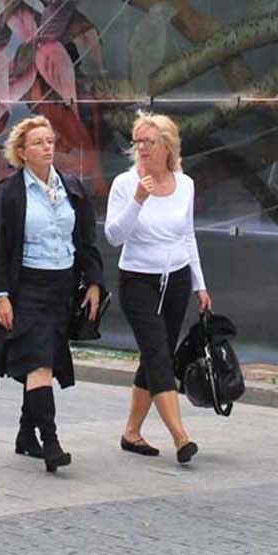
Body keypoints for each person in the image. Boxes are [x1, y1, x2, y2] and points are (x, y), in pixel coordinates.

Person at [0, 114, 104, 473]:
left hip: (62, 287)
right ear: (22, 151)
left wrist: (94, 282)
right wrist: (0, 295)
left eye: (50, 141)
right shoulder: (9, 193)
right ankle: (50, 442)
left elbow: (85, 239)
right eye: (38, 142)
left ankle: (25, 433)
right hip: (27, 289)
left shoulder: (72, 187)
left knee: (45, 358)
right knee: (39, 361)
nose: (47, 147)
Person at [105, 112, 211, 465]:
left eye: (149, 142)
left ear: (168, 146)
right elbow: (113, 236)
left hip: (177, 278)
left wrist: (200, 284)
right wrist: (138, 198)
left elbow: (188, 235)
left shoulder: (186, 183)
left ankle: (131, 433)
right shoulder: (125, 183)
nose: (142, 149)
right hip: (138, 279)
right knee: (158, 355)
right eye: (138, 142)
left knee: (155, 355)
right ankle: (181, 437)